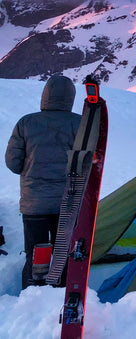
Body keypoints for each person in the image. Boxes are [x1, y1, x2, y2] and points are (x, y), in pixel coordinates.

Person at [5, 75, 81, 288]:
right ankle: (61, 290)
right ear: (70, 98)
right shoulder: (80, 123)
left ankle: (33, 290)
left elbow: (13, 163)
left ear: (45, 95)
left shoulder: (26, 123)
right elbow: (89, 162)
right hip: (67, 203)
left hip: (33, 203)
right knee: (63, 251)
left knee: (36, 251)